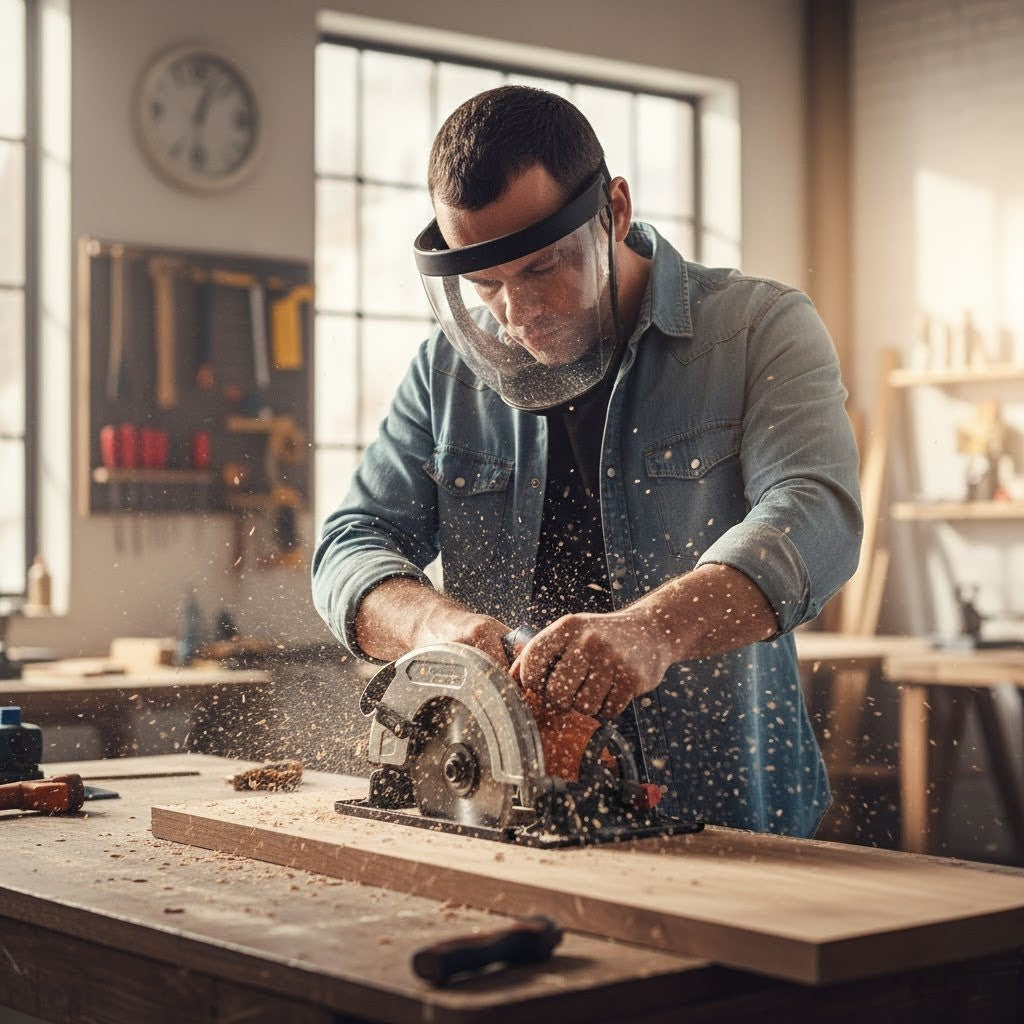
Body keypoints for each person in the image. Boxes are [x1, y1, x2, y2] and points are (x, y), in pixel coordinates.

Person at [312, 85, 862, 837]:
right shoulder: (446, 373)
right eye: (484, 285)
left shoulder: (758, 329)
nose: (517, 313)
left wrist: (653, 632)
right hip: (502, 814)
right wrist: (431, 627)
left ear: (616, 211)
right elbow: (348, 545)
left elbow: (815, 516)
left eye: (542, 269)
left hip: (729, 823)